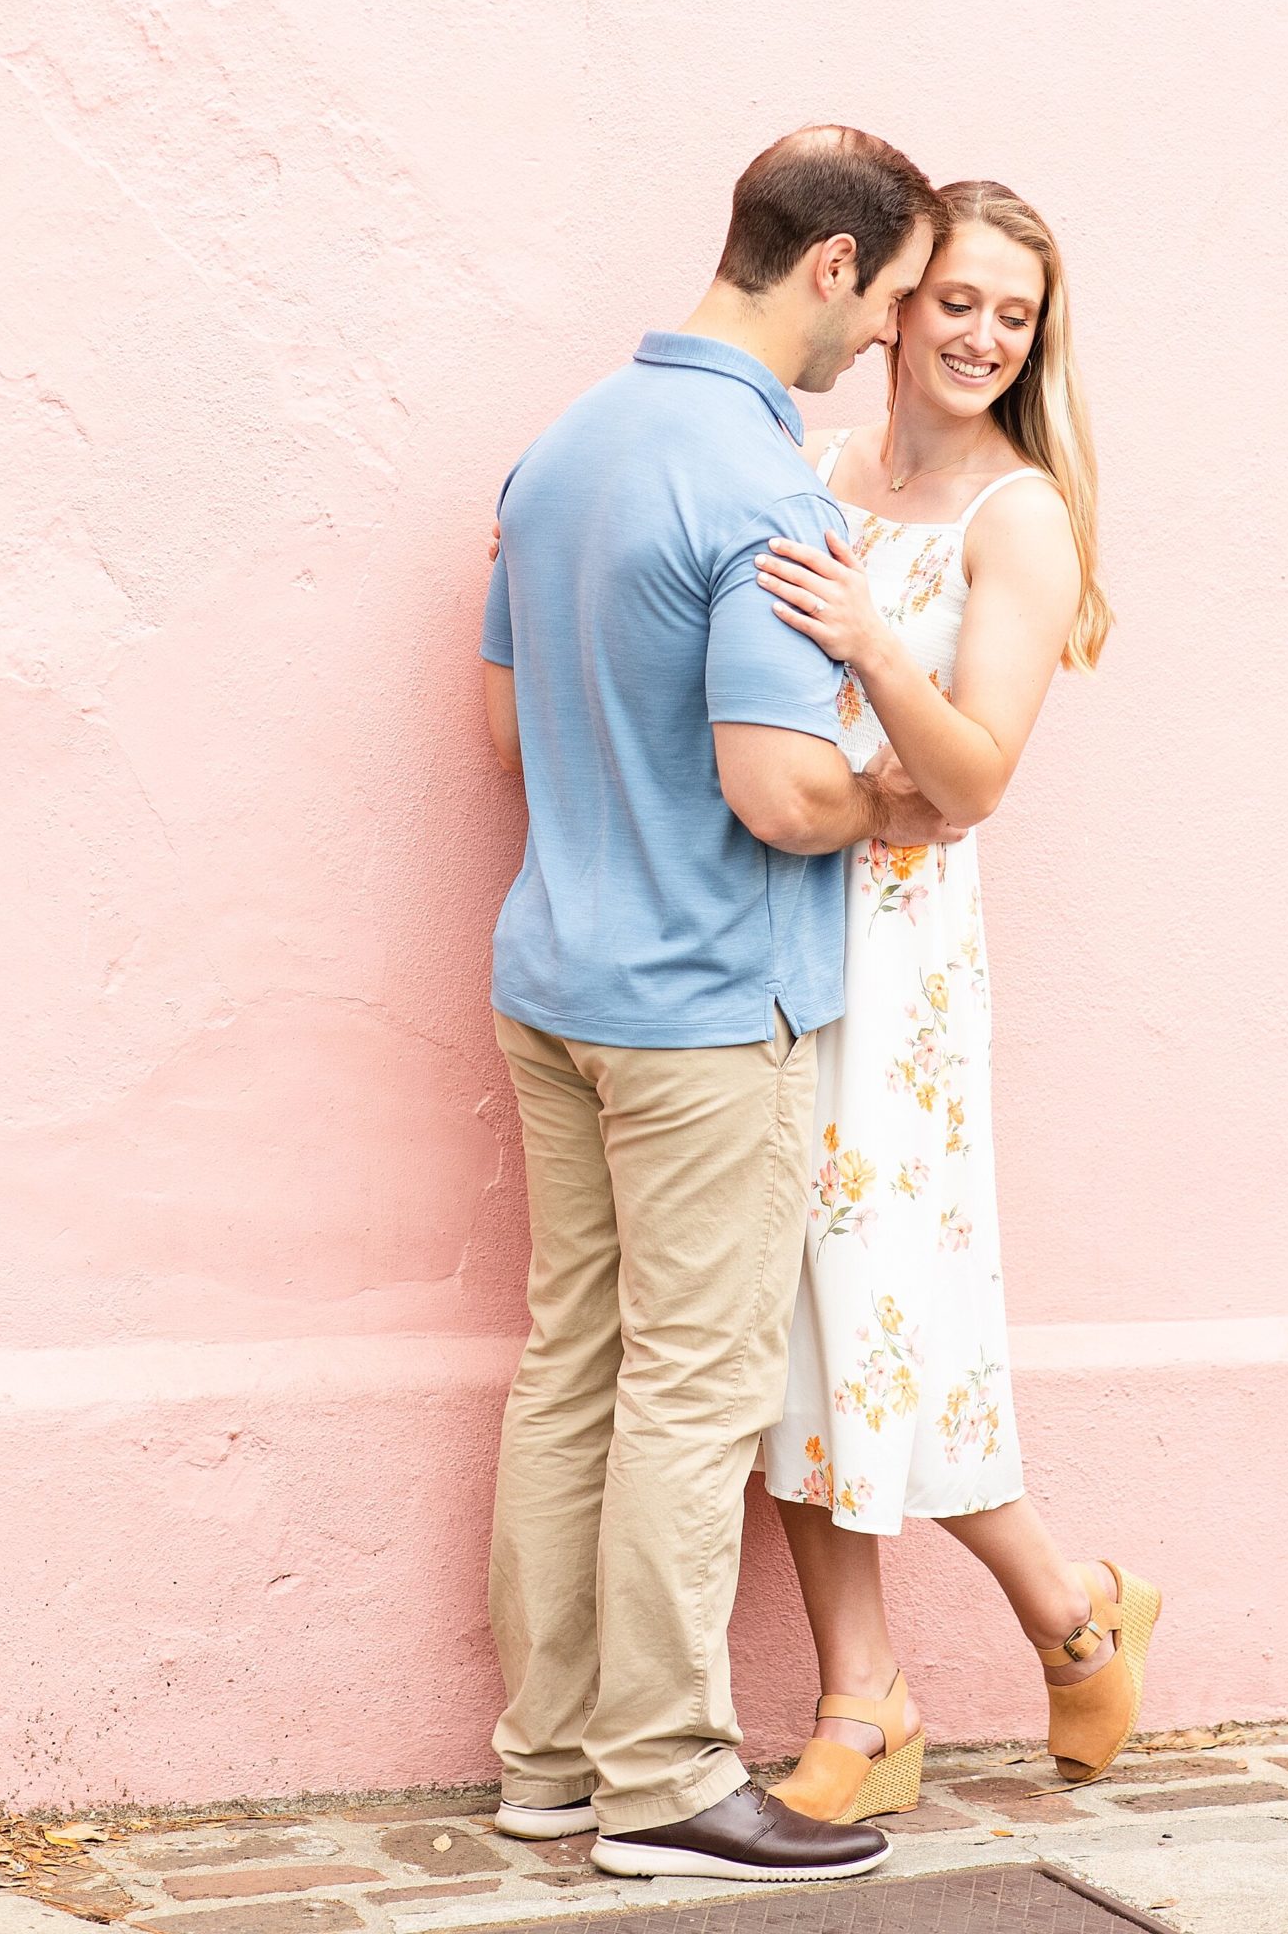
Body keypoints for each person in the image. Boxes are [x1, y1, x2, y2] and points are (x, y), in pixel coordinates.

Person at [478, 127, 950, 1883]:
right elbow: (778, 790)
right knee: (692, 1387)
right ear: (831, 268)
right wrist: (895, 802)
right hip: (696, 1010)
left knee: (572, 1368)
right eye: (896, 298)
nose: (894, 340)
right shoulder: (759, 489)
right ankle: (668, 1781)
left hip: (556, 979)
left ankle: (547, 1763)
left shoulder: (563, 448)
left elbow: (498, 734)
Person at [754, 181, 1159, 1823]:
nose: (986, 336)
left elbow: (973, 779)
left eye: (1016, 314)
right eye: (961, 303)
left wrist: (870, 646)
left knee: (884, 1310)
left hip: (903, 963)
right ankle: (889, 1689)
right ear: (898, 310)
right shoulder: (817, 467)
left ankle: (1061, 1618)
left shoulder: (1019, 516)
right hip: (776, 917)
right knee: (790, 1311)